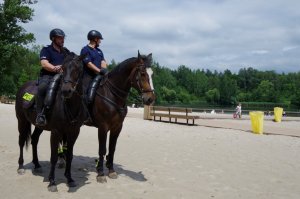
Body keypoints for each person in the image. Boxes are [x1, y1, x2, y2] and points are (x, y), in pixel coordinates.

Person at [35, 28, 69, 126]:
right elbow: (44, 64)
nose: (62, 40)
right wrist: (55, 68)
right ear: (53, 38)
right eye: (60, 38)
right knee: (42, 88)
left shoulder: (66, 51)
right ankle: (40, 115)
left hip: (63, 77)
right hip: (48, 76)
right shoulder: (46, 50)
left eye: (63, 38)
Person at [80, 30, 108, 103]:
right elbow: (89, 64)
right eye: (99, 39)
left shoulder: (99, 51)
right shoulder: (85, 49)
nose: (100, 42)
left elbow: (103, 61)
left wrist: (104, 70)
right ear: (95, 39)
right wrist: (99, 71)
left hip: (99, 76)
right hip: (88, 77)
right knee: (87, 96)